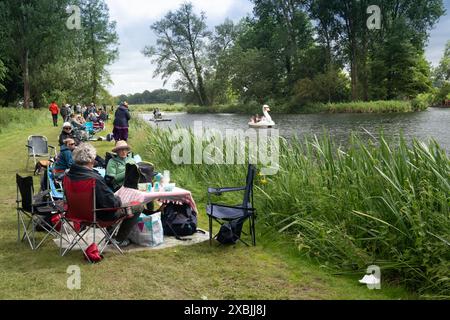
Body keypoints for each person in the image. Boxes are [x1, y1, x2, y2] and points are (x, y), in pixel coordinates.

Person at [66, 143, 142, 247]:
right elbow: (111, 203)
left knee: (110, 204)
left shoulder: (67, 177)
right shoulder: (94, 179)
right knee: (138, 206)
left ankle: (110, 236)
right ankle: (119, 239)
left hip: (77, 215)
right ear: (91, 160)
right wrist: (119, 199)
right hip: (98, 217)